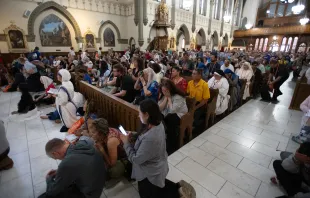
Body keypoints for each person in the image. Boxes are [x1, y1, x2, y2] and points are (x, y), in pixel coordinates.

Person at [120, 99, 195, 198]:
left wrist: (126, 143)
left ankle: (179, 193)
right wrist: (133, 136)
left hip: (150, 171)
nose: (138, 116)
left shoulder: (151, 137)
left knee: (149, 194)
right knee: (156, 187)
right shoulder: (157, 123)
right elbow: (143, 137)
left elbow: (136, 159)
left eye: (140, 113)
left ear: (147, 114)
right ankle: (178, 188)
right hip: (158, 164)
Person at [39, 137, 106, 198]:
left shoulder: (66, 164)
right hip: (99, 186)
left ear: (55, 153)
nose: (58, 159)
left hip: (89, 194)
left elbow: (52, 192)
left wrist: (49, 179)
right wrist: (60, 172)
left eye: (55, 158)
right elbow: (79, 164)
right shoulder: (83, 145)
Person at [159, 79, 188, 154]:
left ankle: (172, 146)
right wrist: (166, 97)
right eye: (163, 90)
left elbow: (172, 110)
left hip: (180, 114)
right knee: (158, 116)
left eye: (166, 91)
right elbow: (159, 108)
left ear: (171, 89)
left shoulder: (178, 97)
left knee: (170, 119)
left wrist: (168, 98)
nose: (164, 92)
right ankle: (162, 136)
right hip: (168, 113)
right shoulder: (164, 95)